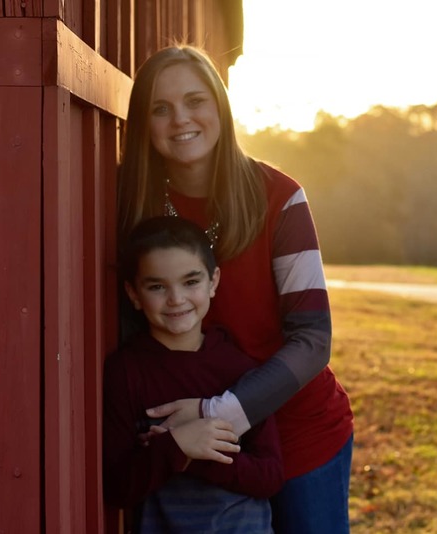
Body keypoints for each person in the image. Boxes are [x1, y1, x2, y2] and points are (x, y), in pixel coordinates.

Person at [116, 44, 354, 533]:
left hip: (297, 431)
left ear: (220, 106)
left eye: (195, 101)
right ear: (144, 122)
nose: (181, 118)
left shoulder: (280, 197)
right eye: (161, 108)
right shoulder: (130, 203)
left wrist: (215, 412)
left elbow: (312, 340)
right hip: (188, 443)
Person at [103, 216, 284, 533]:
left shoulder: (239, 369)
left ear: (213, 281)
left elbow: (269, 476)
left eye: (191, 282)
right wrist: (176, 446)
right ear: (133, 294)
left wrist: (193, 452)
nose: (176, 299)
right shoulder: (126, 372)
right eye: (157, 286)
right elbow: (118, 486)